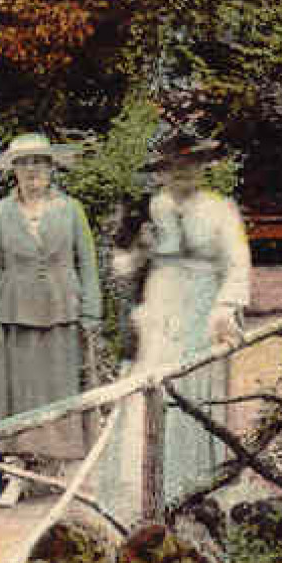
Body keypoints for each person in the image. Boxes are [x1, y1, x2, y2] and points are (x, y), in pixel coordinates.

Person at [99, 133, 252, 527]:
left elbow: (236, 264)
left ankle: (197, 481)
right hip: (159, 305)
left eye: (191, 167)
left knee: (197, 385)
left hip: (204, 306)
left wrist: (225, 307)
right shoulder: (148, 210)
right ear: (162, 174)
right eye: (174, 169)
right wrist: (139, 253)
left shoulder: (220, 210)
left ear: (203, 168)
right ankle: (150, 484)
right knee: (153, 383)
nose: (183, 175)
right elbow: (121, 266)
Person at [0, 133, 103, 508]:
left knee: (59, 390)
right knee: (19, 394)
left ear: (51, 168)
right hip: (15, 313)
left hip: (61, 309)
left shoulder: (71, 210)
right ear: (14, 172)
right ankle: (16, 472)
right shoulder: (0, 213)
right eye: (23, 165)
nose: (31, 172)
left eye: (38, 163)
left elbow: (87, 262)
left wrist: (91, 309)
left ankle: (56, 468)